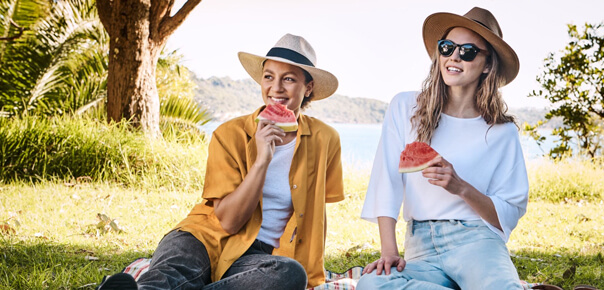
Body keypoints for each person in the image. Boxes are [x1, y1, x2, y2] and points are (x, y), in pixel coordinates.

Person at [97, 33, 344, 290]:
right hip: (204, 237)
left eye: (289, 79)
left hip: (260, 258)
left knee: (291, 274)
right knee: (173, 273)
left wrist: (313, 273)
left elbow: (316, 214)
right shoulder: (229, 134)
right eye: (268, 76)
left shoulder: (325, 139)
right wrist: (261, 161)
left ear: (309, 87)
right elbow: (228, 222)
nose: (276, 88)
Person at [357, 7, 528, 290]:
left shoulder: (502, 132)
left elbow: (507, 213)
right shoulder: (404, 107)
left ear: (487, 65)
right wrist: (389, 251)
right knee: (371, 285)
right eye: (447, 47)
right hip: (421, 246)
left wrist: (461, 187)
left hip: (478, 243)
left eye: (469, 51)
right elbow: (385, 180)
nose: (455, 57)